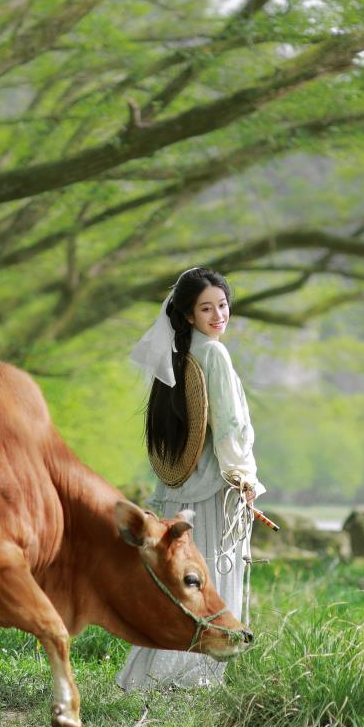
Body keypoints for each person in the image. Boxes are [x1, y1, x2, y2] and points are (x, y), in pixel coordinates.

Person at [117, 266, 268, 691]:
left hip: (179, 488)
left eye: (222, 305)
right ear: (187, 315)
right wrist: (246, 478)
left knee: (178, 585)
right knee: (214, 582)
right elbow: (231, 426)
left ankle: (147, 678)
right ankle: (196, 679)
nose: (219, 315)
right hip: (214, 490)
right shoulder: (214, 355)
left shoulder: (181, 357)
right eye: (207, 308)